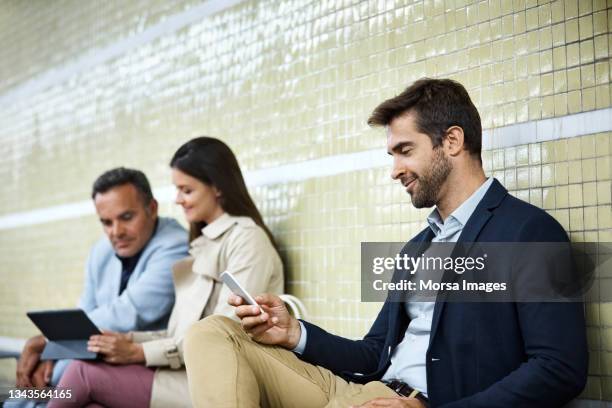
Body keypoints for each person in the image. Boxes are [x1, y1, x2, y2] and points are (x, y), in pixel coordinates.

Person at [183, 79, 588, 407]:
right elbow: (375, 353)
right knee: (211, 333)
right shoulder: (417, 248)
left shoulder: (528, 232)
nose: (395, 170)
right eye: (391, 155)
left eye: (404, 151)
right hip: (359, 393)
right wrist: (293, 333)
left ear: (452, 141)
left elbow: (559, 367)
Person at [49, 137, 284, 408]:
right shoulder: (203, 244)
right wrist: (127, 340)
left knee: (81, 373)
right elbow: (180, 333)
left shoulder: (246, 240)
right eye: (177, 189)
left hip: (221, 383)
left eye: (186, 190)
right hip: (188, 373)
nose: (178, 200)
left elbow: (221, 336)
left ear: (217, 187)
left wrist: (137, 352)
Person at [14, 167, 189, 395]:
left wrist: (50, 340)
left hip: (153, 368)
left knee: (60, 380)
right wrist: (56, 350)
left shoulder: (177, 245)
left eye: (126, 217)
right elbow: (84, 312)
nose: (116, 232)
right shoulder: (101, 250)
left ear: (152, 209)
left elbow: (128, 312)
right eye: (106, 222)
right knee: (33, 384)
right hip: (100, 356)